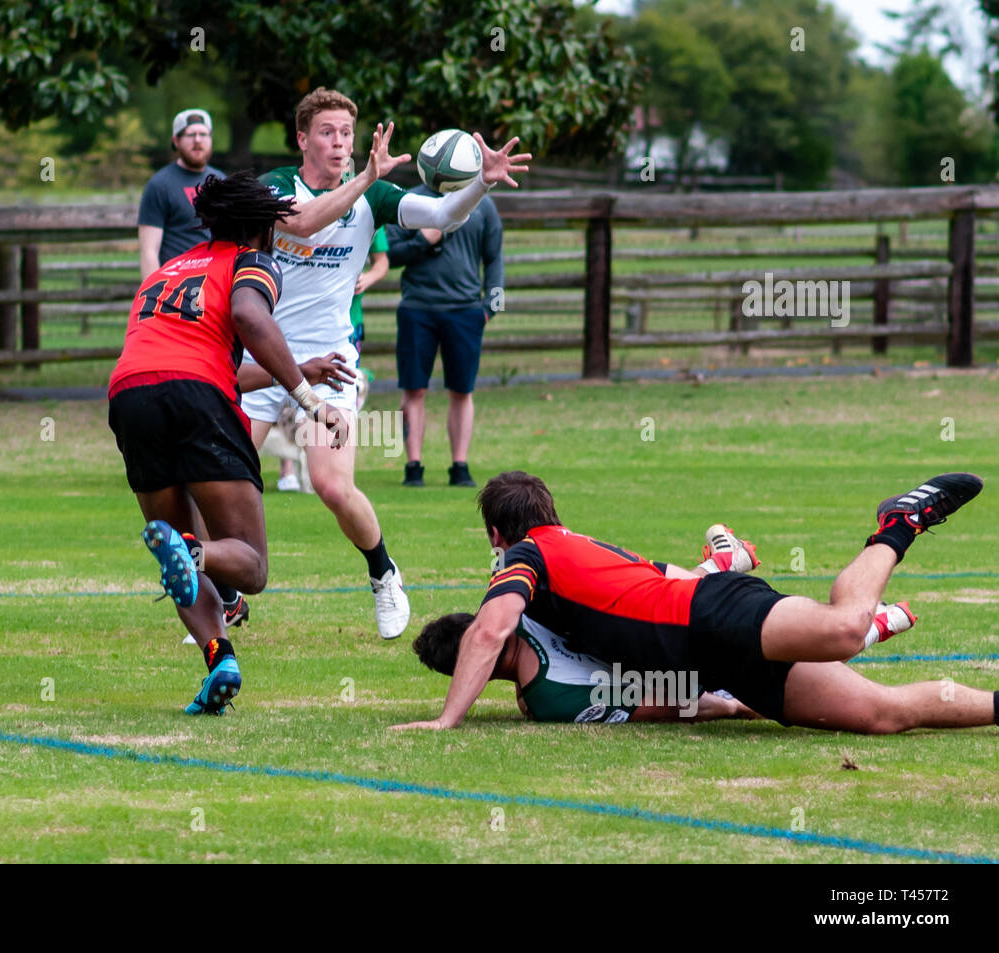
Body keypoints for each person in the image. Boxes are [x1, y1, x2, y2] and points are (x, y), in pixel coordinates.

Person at [240, 86, 531, 640]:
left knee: (330, 485)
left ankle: (383, 573)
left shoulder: (372, 198)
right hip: (264, 360)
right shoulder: (275, 187)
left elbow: (443, 212)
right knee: (226, 478)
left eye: (347, 133)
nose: (339, 141)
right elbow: (302, 223)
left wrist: (480, 183)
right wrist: (368, 178)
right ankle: (223, 599)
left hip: (332, 367)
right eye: (327, 132)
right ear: (302, 139)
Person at [391, 470, 999, 735]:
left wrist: (448, 720)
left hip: (710, 615)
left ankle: (897, 524)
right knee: (882, 716)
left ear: (499, 537)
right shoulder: (580, 555)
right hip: (711, 655)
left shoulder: (529, 555)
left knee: (844, 629)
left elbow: (490, 630)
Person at [108, 172, 349, 715]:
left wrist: (295, 367)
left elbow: (199, 365)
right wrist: (310, 398)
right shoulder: (253, 260)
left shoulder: (165, 272)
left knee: (175, 548)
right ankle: (197, 552)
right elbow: (246, 316)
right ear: (262, 228)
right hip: (192, 398)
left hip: (130, 394)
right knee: (250, 566)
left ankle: (220, 658)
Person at [386, 183, 503, 488]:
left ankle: (459, 466)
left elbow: (494, 257)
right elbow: (390, 255)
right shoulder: (411, 201)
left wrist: (493, 305)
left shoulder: (482, 204)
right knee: (414, 390)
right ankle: (413, 466)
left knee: (462, 391)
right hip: (417, 309)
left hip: (465, 311)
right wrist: (422, 241)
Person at [277, 225, 388, 492]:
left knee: (341, 395)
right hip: (298, 328)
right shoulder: (305, 216)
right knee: (284, 395)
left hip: (346, 328)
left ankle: (333, 471)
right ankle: (288, 469)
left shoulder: (363, 214)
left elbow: (382, 262)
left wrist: (368, 279)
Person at [138, 108, 226, 277]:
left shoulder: (221, 181)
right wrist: (154, 295)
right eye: (190, 135)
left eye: (204, 134)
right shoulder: (159, 185)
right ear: (176, 141)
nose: (198, 140)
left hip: (214, 282)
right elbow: (149, 251)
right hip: (175, 285)